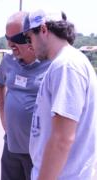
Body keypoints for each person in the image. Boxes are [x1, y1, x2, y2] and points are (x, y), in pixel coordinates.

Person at [23, 9, 97, 179]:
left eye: (29, 38)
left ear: (43, 30)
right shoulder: (65, 63)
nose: (29, 45)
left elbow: (62, 139)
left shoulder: (66, 66)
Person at [0, 11, 51, 180]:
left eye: (16, 38)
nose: (10, 43)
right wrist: (3, 116)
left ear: (30, 37)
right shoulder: (8, 61)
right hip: (11, 146)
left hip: (38, 152)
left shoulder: (52, 64)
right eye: (7, 38)